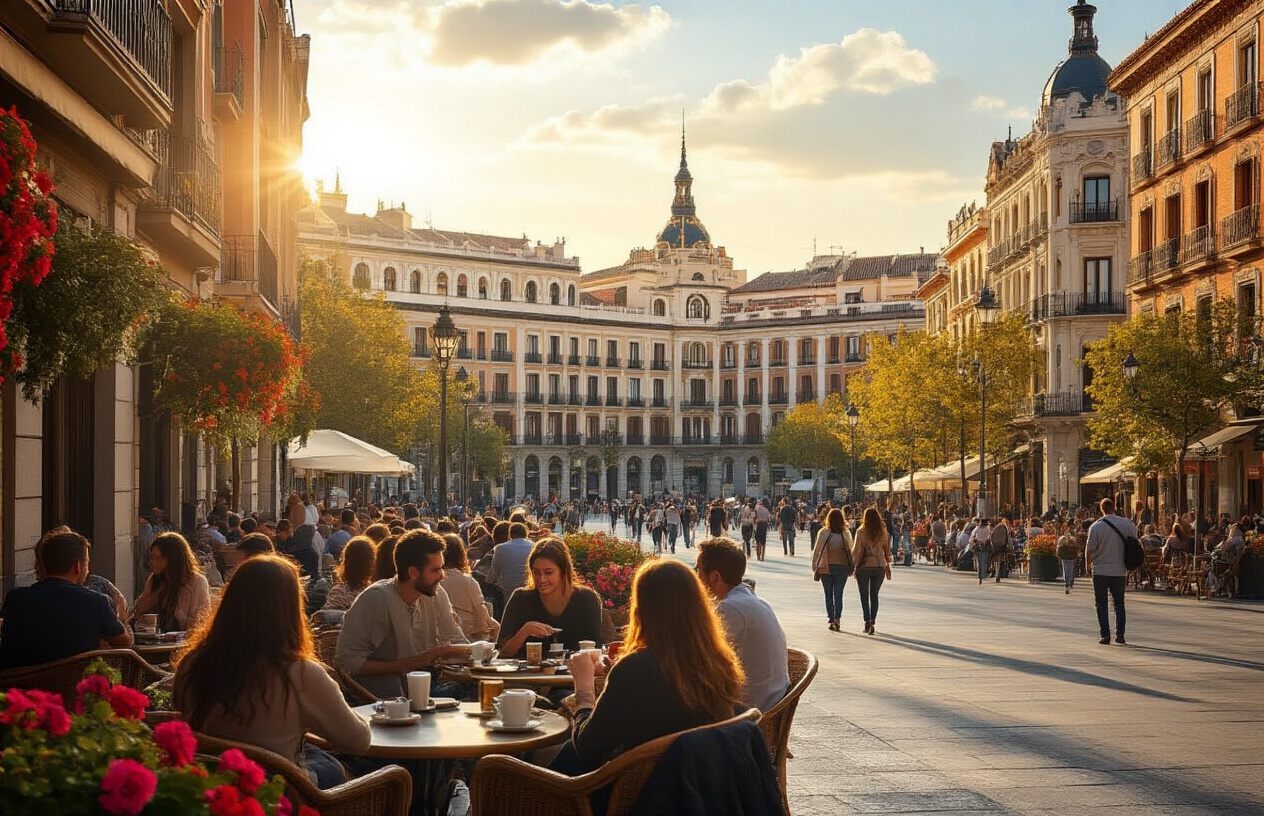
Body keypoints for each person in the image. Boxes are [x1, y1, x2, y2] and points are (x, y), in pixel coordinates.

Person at [174, 555, 371, 788]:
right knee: (345, 769)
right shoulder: (301, 674)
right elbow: (359, 741)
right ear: (290, 609)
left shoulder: (191, 663)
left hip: (211, 789)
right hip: (281, 795)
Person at [554, 559, 745, 775]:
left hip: (638, 795)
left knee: (563, 754)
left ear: (643, 608)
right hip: (701, 785)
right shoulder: (718, 662)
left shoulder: (636, 669)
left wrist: (584, 687)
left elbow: (587, 747)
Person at [335, 528, 469, 698]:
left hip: (425, 686)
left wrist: (480, 655)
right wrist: (412, 663)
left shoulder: (435, 593)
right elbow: (347, 663)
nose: (442, 576)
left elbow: (455, 637)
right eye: (435, 570)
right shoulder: (376, 600)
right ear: (413, 572)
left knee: (472, 689)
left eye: (442, 568)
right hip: (385, 698)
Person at [0, 530, 132, 670]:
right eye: (87, 563)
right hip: (75, 688)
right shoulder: (95, 602)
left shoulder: (16, 600)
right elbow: (125, 642)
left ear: (43, 565)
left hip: (20, 689)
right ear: (77, 566)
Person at [695, 537, 789, 712]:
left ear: (715, 576)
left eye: (698, 569)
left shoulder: (730, 609)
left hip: (749, 712)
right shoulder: (750, 599)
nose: (696, 575)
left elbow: (704, 661)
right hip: (768, 701)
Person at [498, 537, 603, 657]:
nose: (541, 579)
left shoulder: (587, 599)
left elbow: (597, 648)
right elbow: (502, 652)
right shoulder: (521, 599)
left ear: (563, 572)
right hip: (528, 675)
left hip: (574, 674)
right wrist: (525, 631)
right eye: (536, 572)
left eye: (548, 572)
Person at [133, 532, 211, 632]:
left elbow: (201, 623)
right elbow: (139, 614)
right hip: (155, 640)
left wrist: (180, 616)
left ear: (172, 559)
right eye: (152, 557)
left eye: (157, 558)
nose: (151, 562)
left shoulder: (197, 582)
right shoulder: (155, 580)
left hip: (183, 641)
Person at [1085, 497, 1135, 645]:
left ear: (1101, 509)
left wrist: (1088, 566)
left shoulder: (1095, 527)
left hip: (1100, 570)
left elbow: (1089, 550)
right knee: (1119, 602)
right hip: (1120, 570)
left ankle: (1105, 635)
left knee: (1101, 603)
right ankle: (1120, 634)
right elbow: (1135, 546)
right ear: (1114, 508)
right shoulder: (1127, 524)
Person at [439, 533, 497, 641]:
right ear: (461, 555)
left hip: (441, 636)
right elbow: (482, 613)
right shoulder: (468, 581)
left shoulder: (433, 581)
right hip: (468, 637)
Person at [811, 508, 855, 632]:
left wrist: (814, 565)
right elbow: (850, 549)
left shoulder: (824, 532)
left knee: (828, 593)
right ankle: (837, 618)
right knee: (838, 593)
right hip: (842, 567)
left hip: (826, 567)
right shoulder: (846, 533)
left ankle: (831, 617)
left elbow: (817, 550)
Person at [851, 508, 892, 636]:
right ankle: (873, 620)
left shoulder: (861, 531)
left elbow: (857, 550)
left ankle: (867, 621)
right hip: (879, 566)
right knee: (874, 595)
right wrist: (888, 565)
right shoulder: (883, 532)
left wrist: (853, 565)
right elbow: (887, 550)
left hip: (864, 566)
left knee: (864, 596)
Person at [322, 536, 376, 611]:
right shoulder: (377, 592)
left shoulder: (339, 592)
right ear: (372, 562)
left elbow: (327, 617)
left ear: (346, 562)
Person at [484, 521, 534, 599]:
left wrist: (485, 585)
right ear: (526, 534)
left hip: (508, 591)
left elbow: (494, 573)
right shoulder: (533, 546)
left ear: (510, 534)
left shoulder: (500, 548)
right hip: (528, 588)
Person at [1056, 522, 1079, 594]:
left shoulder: (1061, 539)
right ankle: (1069, 582)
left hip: (1064, 556)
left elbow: (1058, 547)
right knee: (1070, 569)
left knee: (1065, 569)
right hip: (1071, 556)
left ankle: (1067, 582)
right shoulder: (1073, 539)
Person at [970, 518, 993, 585]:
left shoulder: (977, 529)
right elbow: (990, 537)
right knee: (984, 561)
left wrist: (972, 544)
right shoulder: (988, 529)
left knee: (979, 562)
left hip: (978, 546)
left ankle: (980, 576)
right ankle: (983, 575)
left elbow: (972, 537)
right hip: (985, 546)